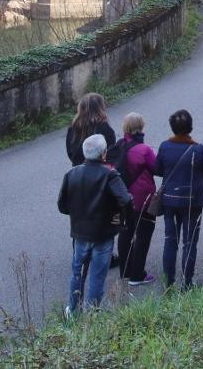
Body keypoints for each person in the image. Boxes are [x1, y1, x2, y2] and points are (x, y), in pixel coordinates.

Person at [58, 133, 133, 313]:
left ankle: (73, 310)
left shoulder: (71, 174)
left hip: (79, 232)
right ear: (103, 154)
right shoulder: (110, 175)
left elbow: (62, 206)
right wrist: (117, 216)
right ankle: (92, 313)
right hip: (103, 232)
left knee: (78, 273)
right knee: (97, 276)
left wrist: (76, 213)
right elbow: (126, 200)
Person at [154, 109, 203, 290]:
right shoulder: (197, 149)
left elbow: (157, 169)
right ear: (190, 127)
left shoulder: (165, 146)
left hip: (170, 201)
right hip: (193, 201)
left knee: (170, 240)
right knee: (189, 242)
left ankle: (168, 282)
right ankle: (187, 281)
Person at [113, 113, 158, 286]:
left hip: (122, 197)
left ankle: (125, 271)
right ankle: (137, 275)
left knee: (125, 233)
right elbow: (157, 168)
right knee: (143, 235)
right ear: (141, 127)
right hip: (142, 198)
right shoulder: (144, 150)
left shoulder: (118, 146)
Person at [65, 93, 116, 166]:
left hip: (79, 170)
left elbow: (70, 152)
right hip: (100, 170)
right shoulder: (105, 128)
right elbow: (111, 151)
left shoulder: (73, 128)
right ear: (100, 108)